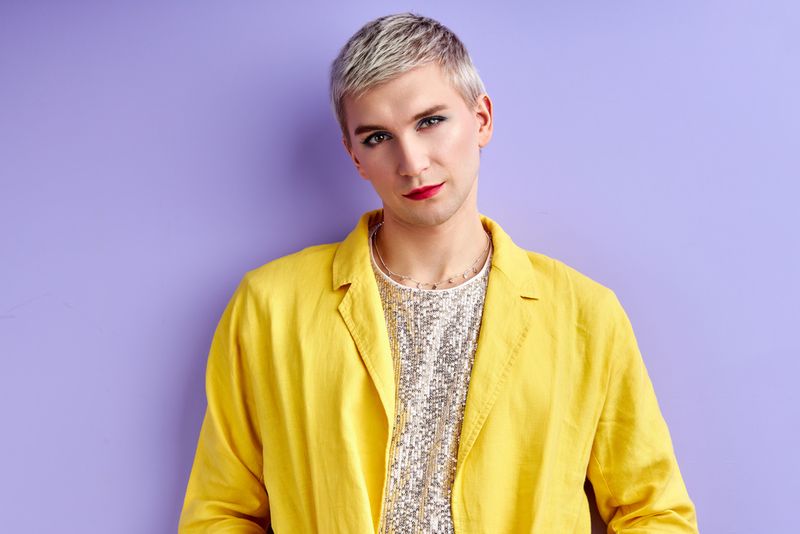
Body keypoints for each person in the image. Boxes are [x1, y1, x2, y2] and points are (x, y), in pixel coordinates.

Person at [178, 12, 698, 533]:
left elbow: (654, 512)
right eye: (378, 137)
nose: (412, 161)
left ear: (482, 119)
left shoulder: (585, 315)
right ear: (354, 156)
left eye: (430, 121)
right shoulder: (270, 307)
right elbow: (222, 512)